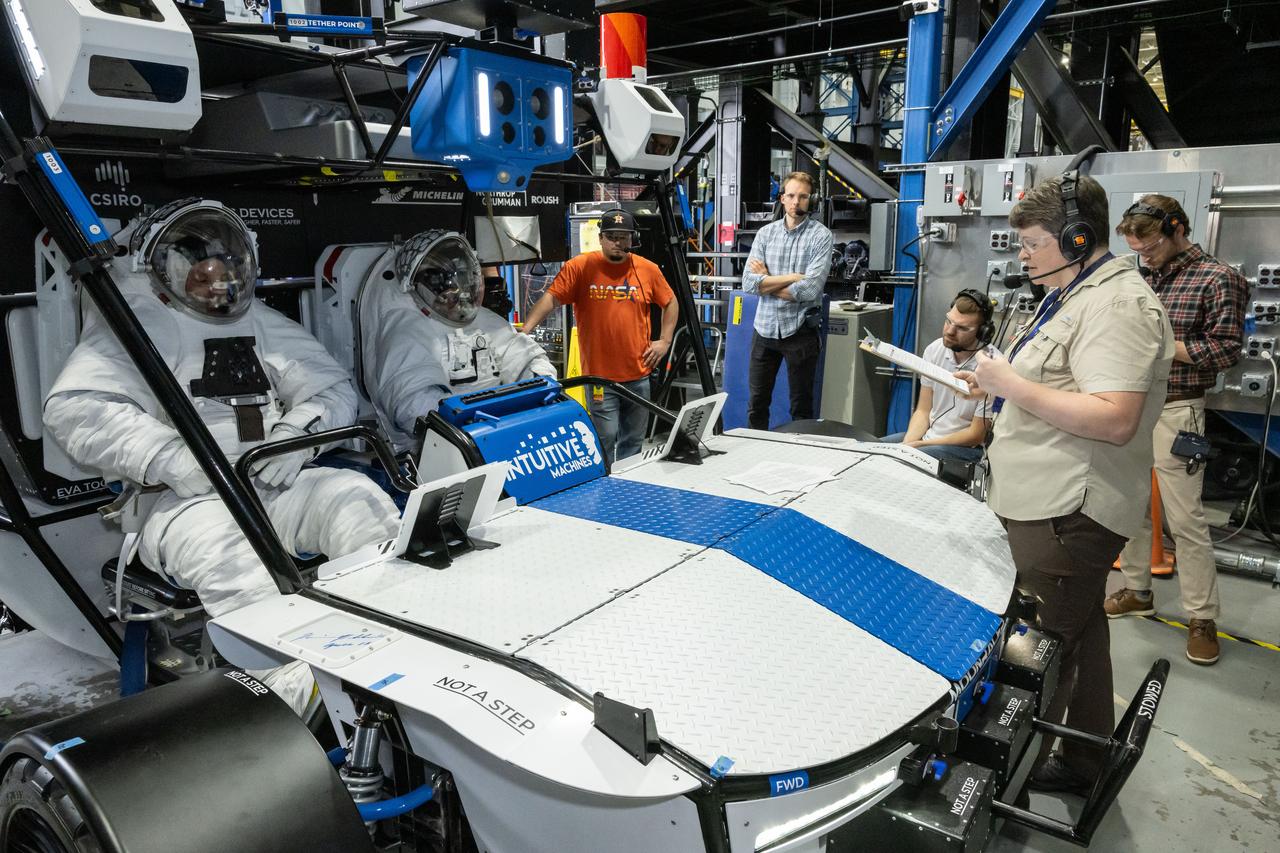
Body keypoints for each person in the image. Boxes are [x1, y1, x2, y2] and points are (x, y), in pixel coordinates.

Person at [44, 198, 400, 714]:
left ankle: (392, 641)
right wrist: (174, 456)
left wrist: (298, 433)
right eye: (203, 275)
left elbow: (331, 387)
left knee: (355, 498)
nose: (218, 287)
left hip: (268, 477)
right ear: (165, 269)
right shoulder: (134, 321)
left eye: (226, 272)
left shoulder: (261, 322)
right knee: (237, 560)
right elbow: (78, 409)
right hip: (184, 502)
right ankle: (298, 700)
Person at [954, 173, 1174, 796]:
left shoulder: (1116, 305)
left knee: (1038, 651)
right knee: (1083, 632)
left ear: (1077, 237)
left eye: (1030, 242)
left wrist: (1012, 386)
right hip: (1044, 497)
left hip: (1068, 509)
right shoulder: (1072, 293)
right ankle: (1085, 762)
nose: (1020, 253)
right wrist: (995, 384)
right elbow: (1055, 384)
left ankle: (1007, 778)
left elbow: (1115, 416)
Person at [1107, 195, 1248, 665]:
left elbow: (1226, 351)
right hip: (1130, 406)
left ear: (1177, 229)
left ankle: (1202, 618)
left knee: (1186, 523)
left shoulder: (1218, 278)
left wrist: (1162, 346)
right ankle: (1136, 590)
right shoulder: (1135, 275)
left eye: (1148, 243)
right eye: (1134, 244)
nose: (1141, 252)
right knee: (1129, 507)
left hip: (1177, 411)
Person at [361, 230, 555, 452]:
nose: (457, 292)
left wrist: (539, 390)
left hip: (504, 434)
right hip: (445, 450)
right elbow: (413, 404)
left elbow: (525, 358)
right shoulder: (406, 330)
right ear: (422, 286)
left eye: (462, 281)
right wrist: (472, 425)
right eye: (445, 285)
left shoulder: (486, 321)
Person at [522, 208, 678, 466]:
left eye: (624, 237)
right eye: (612, 236)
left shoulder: (647, 269)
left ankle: (630, 491)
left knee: (633, 442)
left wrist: (664, 341)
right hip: (599, 378)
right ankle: (605, 492)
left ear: (632, 239)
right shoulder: (581, 267)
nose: (618, 242)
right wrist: (525, 331)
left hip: (639, 374)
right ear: (601, 238)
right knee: (604, 439)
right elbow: (551, 298)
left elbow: (670, 302)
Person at [741, 170, 834, 430]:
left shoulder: (821, 236)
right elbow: (748, 283)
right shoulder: (766, 234)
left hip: (801, 330)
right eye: (791, 195)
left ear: (811, 200)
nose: (796, 202)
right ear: (782, 198)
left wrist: (767, 280)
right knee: (757, 403)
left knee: (801, 407)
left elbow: (809, 291)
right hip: (765, 329)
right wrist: (792, 277)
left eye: (803, 197)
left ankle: (800, 462)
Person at [881, 290, 1000, 463]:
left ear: (983, 332)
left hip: (966, 449)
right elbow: (923, 410)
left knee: (901, 461)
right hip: (929, 439)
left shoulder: (991, 365)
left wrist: (918, 447)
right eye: (948, 321)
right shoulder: (934, 350)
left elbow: (975, 435)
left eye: (962, 328)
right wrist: (907, 446)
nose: (950, 331)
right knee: (867, 450)